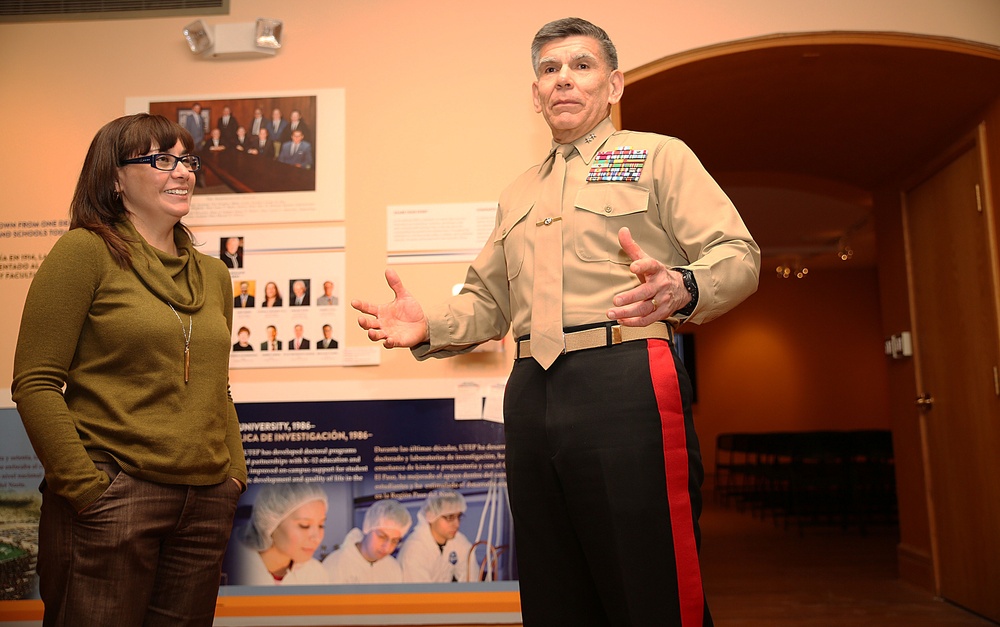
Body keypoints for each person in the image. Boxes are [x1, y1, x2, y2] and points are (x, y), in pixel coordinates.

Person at [351, 18, 760, 626]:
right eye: (549, 69)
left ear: (614, 84)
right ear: (536, 92)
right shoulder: (517, 194)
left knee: (648, 573)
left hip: (626, 375)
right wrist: (428, 326)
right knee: (552, 579)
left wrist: (684, 284)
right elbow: (489, 302)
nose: (563, 79)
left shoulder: (657, 156)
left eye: (581, 65)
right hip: (532, 389)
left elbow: (738, 254)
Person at [11, 113, 247, 626]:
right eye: (161, 160)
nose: (181, 171)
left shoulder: (214, 274)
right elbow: (35, 382)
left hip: (205, 504)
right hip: (113, 496)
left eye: (187, 159)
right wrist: (86, 489)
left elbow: (217, 387)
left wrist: (233, 476)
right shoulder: (84, 252)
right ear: (115, 179)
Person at [229, 483, 329, 586]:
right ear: (271, 523)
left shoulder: (316, 574)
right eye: (304, 525)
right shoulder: (233, 566)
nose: (317, 538)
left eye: (321, 525)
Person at [321, 499, 412, 584]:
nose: (387, 547)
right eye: (382, 536)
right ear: (367, 528)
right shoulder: (335, 565)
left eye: (394, 541)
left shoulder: (393, 568)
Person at [397, 490, 472, 583]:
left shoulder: (459, 541)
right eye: (449, 517)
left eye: (458, 517)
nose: (456, 524)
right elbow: (419, 594)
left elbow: (471, 579)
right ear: (430, 515)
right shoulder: (414, 550)